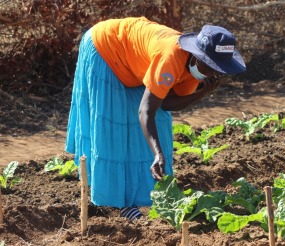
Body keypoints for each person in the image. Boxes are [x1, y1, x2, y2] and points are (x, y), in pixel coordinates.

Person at [65, 16, 246, 220]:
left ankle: (145, 197)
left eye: (218, 69)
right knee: (115, 126)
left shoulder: (197, 70)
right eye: (211, 66)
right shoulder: (171, 58)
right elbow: (146, 111)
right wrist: (157, 153)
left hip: (134, 63)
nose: (213, 73)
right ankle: (120, 204)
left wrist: (202, 93)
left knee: (158, 126)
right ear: (198, 56)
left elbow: (165, 105)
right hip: (106, 49)